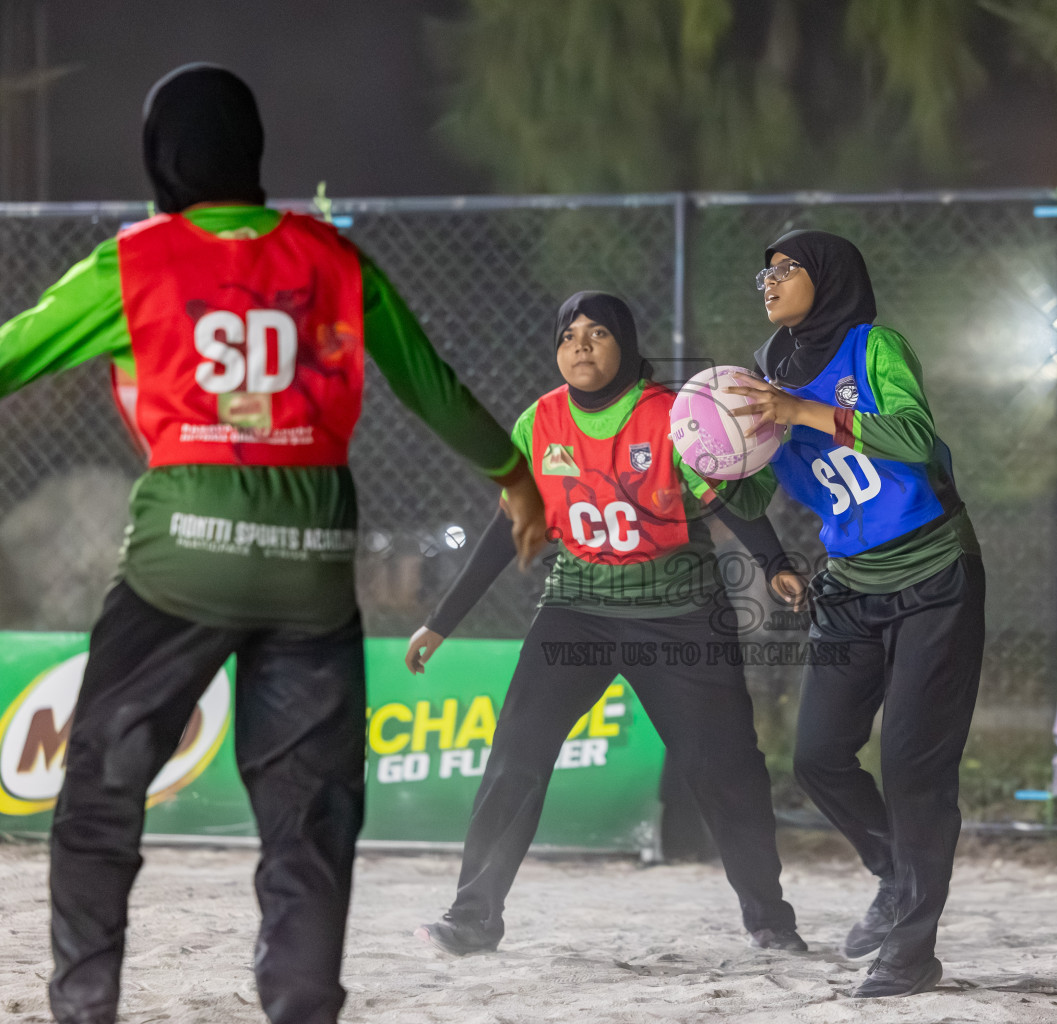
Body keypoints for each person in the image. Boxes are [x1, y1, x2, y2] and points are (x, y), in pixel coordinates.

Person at [0, 64, 546, 1024]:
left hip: (182, 563)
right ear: (249, 152)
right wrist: (514, 477)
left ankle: (85, 1002)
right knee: (310, 814)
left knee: (99, 788)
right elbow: (431, 384)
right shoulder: (333, 259)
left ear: (161, 157)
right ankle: (301, 1000)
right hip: (309, 569)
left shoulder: (135, 261)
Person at [406, 291, 808, 955]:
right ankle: (473, 917)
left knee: (726, 767)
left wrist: (774, 563)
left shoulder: (671, 416)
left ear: (626, 344)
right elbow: (512, 527)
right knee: (516, 757)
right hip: (577, 612)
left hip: (679, 614)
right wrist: (440, 621)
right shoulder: (540, 421)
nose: (581, 345)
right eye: (569, 334)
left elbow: (730, 503)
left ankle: (769, 917)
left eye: (597, 332)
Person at [726, 230, 985, 998]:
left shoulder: (875, 347)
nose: (768, 282)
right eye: (763, 271)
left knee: (915, 768)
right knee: (817, 757)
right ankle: (895, 874)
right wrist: (705, 467)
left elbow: (913, 437)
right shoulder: (768, 369)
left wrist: (805, 412)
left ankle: (913, 949)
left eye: (784, 269)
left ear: (828, 278)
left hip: (935, 572)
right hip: (851, 584)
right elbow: (750, 488)